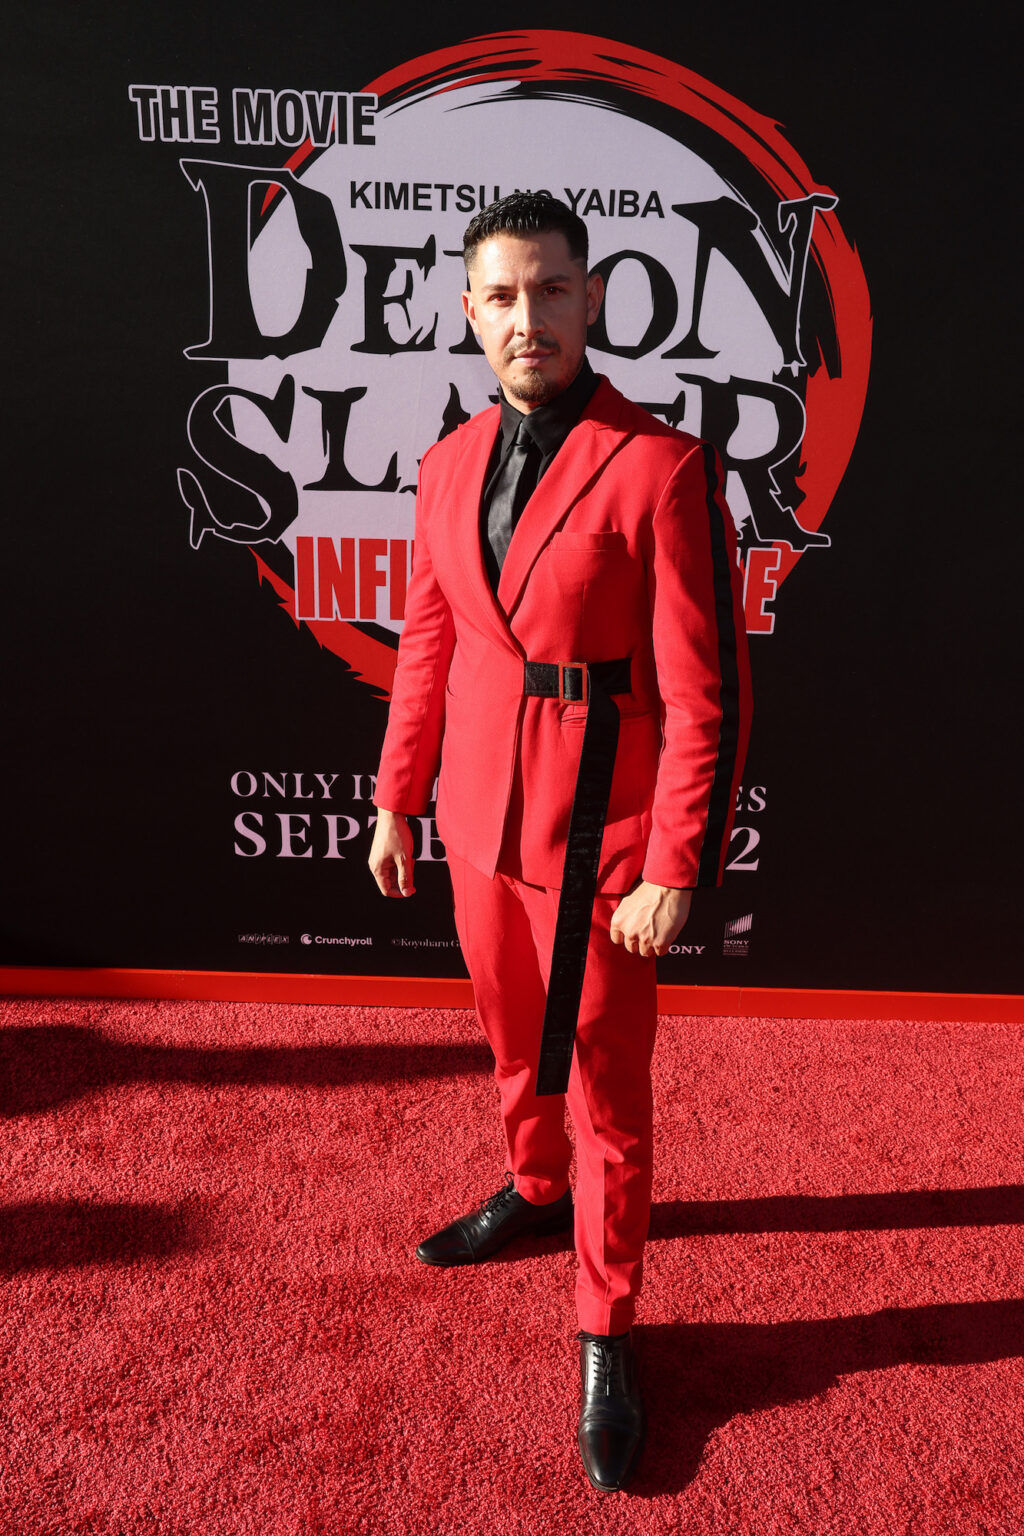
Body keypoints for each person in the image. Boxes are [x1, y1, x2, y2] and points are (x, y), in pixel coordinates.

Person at [368, 191, 751, 1493]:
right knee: (505, 1032)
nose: (526, 316)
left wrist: (675, 863)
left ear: (592, 299)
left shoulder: (661, 464)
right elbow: (427, 643)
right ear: (469, 311)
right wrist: (396, 794)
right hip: (476, 815)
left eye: (549, 290)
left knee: (602, 1082)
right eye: (501, 295)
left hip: (602, 824)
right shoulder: (445, 466)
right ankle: (531, 1190)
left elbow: (706, 692)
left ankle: (609, 1322)